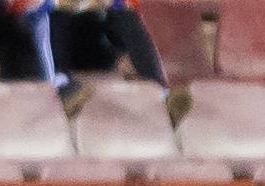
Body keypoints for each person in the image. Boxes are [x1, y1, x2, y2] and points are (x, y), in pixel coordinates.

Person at [35, 0, 191, 124]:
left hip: (96, 48)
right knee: (54, 11)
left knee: (124, 12)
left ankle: (160, 91)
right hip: (43, 48)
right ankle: (60, 84)